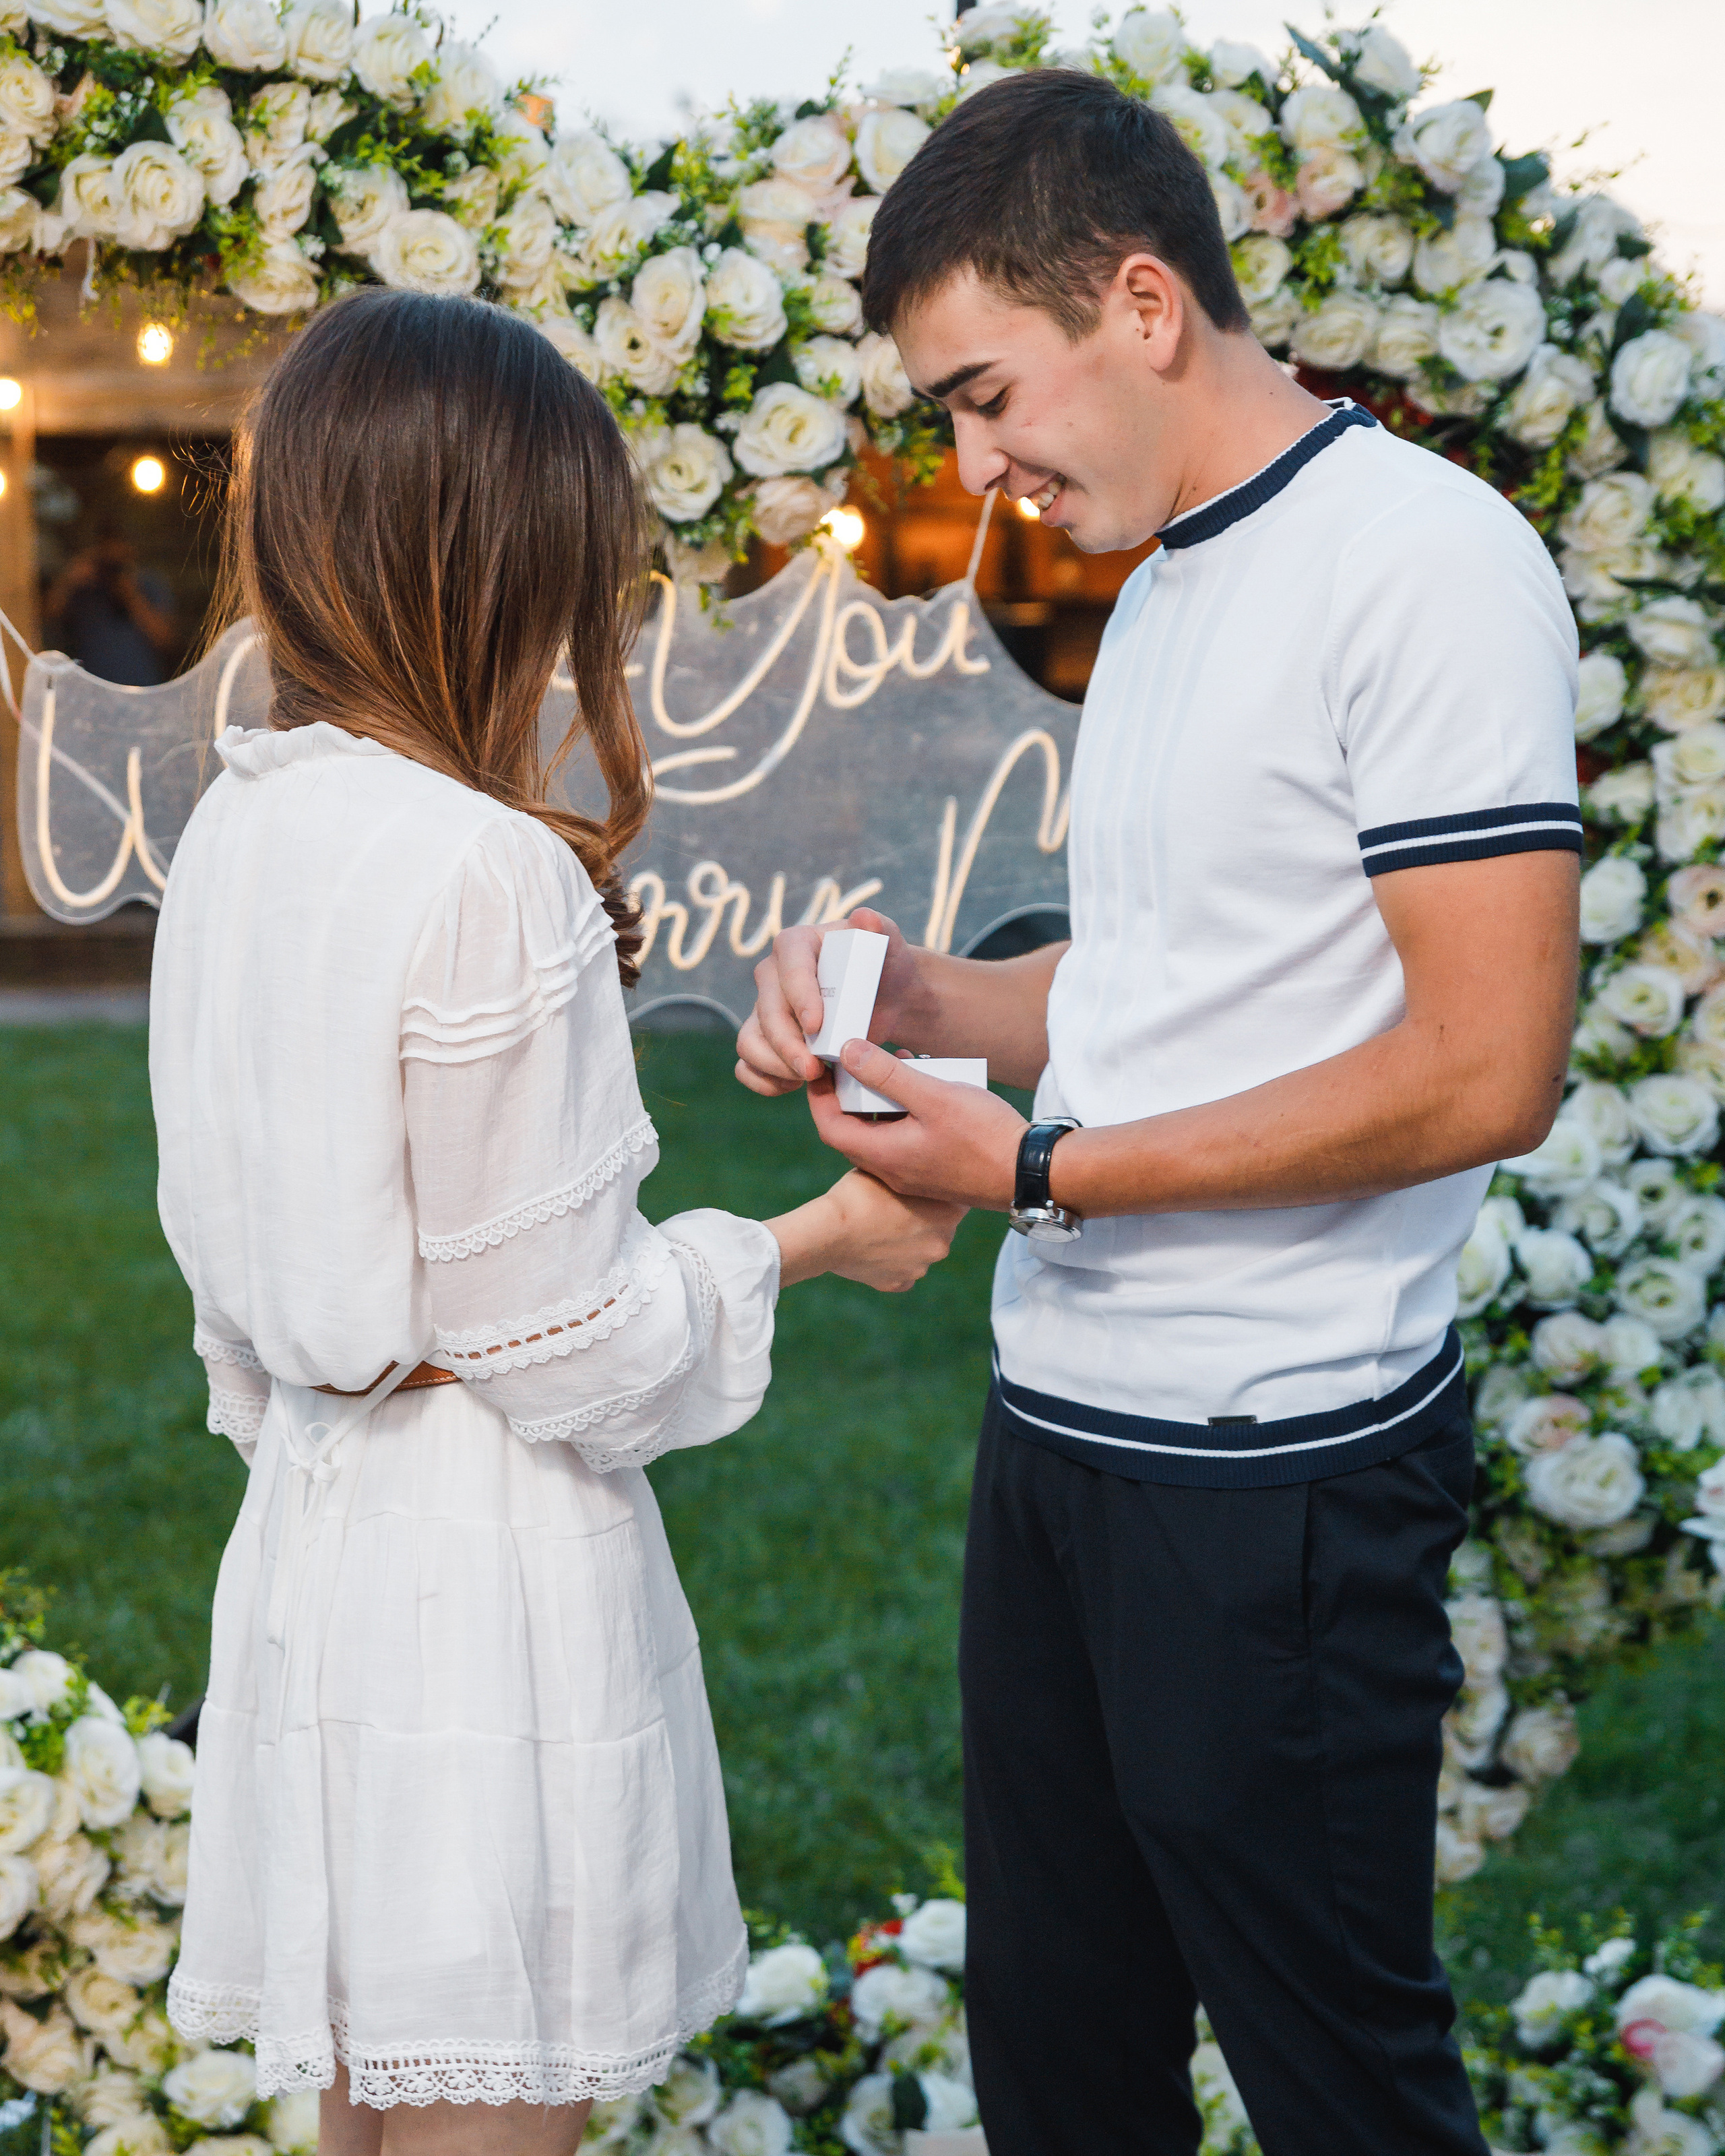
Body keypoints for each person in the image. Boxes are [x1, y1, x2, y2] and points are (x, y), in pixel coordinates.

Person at [734, 69, 1581, 2156]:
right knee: (1062, 2058)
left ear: (1139, 304)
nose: (973, 465)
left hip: (1272, 1470)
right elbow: (1158, 988)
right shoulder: (1177, 575)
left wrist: (1037, 1170)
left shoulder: (1423, 564)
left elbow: (1487, 1064)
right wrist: (917, 1002)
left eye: (985, 394)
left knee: (1337, 2085)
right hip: (1059, 1438)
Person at [148, 290, 962, 2156]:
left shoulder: (240, 833)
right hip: (479, 1584)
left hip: (315, 1544)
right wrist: (827, 1230)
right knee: (487, 2101)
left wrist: (345, 1381)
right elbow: (567, 1346)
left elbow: (242, 1297)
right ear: (510, 562)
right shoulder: (487, 868)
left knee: (368, 2108)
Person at [46, 534, 179, 684]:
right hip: (92, 685)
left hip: (141, 685)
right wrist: (68, 580)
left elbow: (165, 640)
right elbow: (48, 617)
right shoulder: (85, 587)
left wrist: (131, 596)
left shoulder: (149, 584)